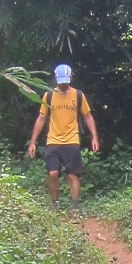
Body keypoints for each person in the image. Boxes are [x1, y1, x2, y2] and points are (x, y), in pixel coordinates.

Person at [26, 64, 99, 211]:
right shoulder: (49, 95)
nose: (64, 84)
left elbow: (88, 116)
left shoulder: (78, 95)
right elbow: (41, 118)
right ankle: (55, 204)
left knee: (72, 175)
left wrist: (94, 137)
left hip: (72, 141)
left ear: (71, 78)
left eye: (66, 80)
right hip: (53, 141)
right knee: (52, 174)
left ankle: (75, 207)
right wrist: (33, 142)